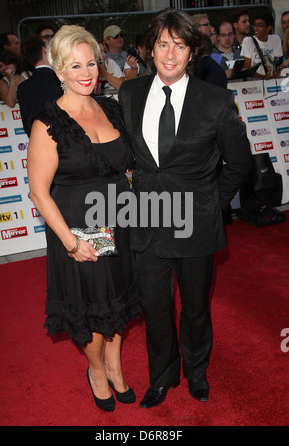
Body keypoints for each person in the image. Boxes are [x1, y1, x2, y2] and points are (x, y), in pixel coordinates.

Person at [119, 8, 252, 408]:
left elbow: (239, 163)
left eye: (180, 45)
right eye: (163, 44)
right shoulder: (130, 94)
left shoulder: (216, 101)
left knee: (195, 307)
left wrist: (212, 204)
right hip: (146, 221)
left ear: (193, 51)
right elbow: (130, 156)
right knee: (154, 306)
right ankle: (161, 376)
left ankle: (196, 372)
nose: (170, 54)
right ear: (150, 49)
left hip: (195, 224)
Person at [27, 24, 141, 412]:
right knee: (94, 308)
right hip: (80, 226)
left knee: (119, 301)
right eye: (74, 66)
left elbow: (129, 168)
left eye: (91, 63)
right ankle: (96, 369)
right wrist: (72, 242)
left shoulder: (110, 108)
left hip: (120, 222)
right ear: (58, 71)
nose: (86, 73)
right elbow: (39, 192)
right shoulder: (48, 123)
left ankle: (115, 363)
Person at [17, 34, 63, 136]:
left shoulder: (22, 88)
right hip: (65, 141)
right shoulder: (60, 79)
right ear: (44, 49)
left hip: (38, 141)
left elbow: (27, 124)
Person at [241, 13, 283, 79]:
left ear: (269, 28)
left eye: (260, 26)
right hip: (253, 82)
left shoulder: (276, 39)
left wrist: (272, 74)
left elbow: (276, 63)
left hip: (270, 82)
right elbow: (248, 67)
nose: (255, 29)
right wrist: (264, 77)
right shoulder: (248, 41)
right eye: (254, 25)